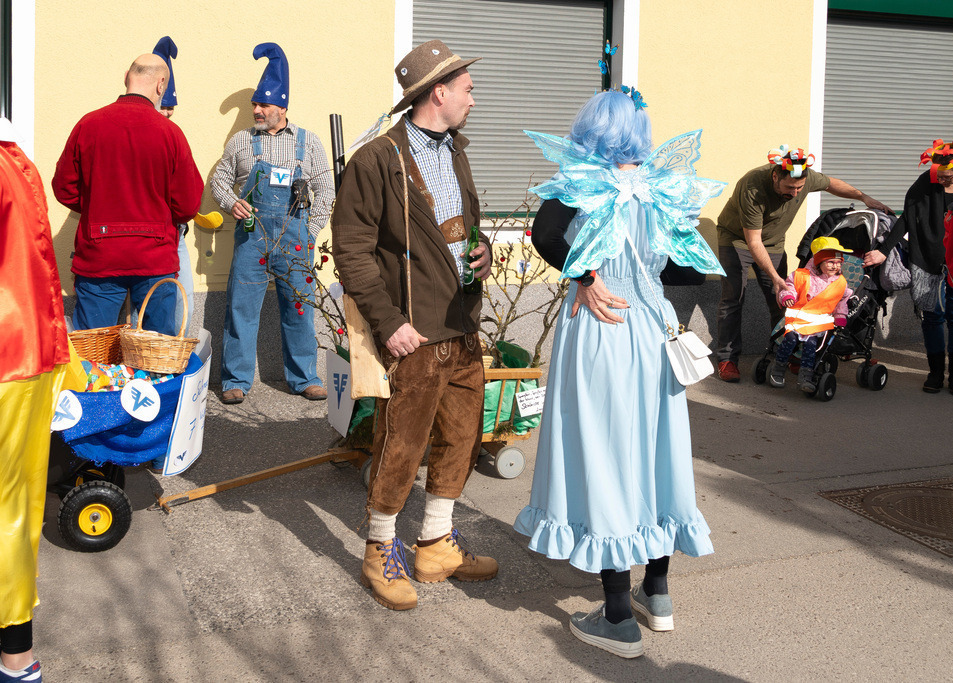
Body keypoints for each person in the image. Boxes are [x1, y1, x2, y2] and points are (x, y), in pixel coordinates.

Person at [513, 89, 724, 658]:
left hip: (602, 328)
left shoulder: (582, 180)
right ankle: (657, 595)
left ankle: (615, 615)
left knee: (605, 456)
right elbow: (690, 267)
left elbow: (544, 235)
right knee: (657, 453)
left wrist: (586, 275)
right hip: (653, 330)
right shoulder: (664, 186)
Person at [332, 39, 497, 611]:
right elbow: (351, 253)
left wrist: (485, 258)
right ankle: (380, 548)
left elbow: (466, 227)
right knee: (400, 442)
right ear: (439, 92)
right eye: (468, 90)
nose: (474, 99)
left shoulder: (455, 150)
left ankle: (434, 544)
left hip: (461, 324)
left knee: (461, 436)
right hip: (414, 330)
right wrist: (389, 322)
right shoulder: (377, 160)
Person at [211, 43, 332, 404]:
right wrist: (232, 202)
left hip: (296, 238)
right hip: (252, 239)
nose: (257, 110)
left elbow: (326, 188)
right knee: (241, 308)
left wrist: (310, 233)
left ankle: (305, 377)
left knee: (299, 309)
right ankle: (235, 380)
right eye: (254, 105)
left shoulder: (309, 143)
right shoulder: (241, 142)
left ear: (282, 107)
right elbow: (218, 180)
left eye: (263, 105)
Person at [52, 53, 204, 337]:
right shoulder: (170, 134)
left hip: (100, 254)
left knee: (95, 356)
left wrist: (97, 203)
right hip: (154, 257)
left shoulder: (88, 125)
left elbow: (64, 187)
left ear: (126, 77)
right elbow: (187, 205)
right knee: (154, 355)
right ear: (161, 85)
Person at [0, 120, 75, 683]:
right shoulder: (11, 160)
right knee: (14, 509)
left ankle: (15, 652)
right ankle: (15, 653)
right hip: (21, 356)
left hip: (15, 355)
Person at [714, 146, 890, 382]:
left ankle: (791, 353)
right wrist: (776, 278)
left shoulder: (803, 177)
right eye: (790, 188)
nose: (796, 193)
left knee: (785, 301)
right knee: (733, 299)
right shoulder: (753, 186)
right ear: (775, 176)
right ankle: (727, 359)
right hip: (737, 240)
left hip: (774, 242)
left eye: (800, 188)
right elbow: (753, 240)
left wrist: (862, 197)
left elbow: (831, 183)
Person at [864, 138, 953, 396]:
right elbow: (907, 219)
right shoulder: (925, 182)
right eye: (937, 175)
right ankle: (934, 373)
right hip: (927, 257)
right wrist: (883, 251)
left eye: (946, 176)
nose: (940, 180)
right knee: (932, 317)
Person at [770, 236, 853, 392]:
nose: (835, 266)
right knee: (790, 340)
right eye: (830, 262)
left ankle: (806, 376)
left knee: (811, 346)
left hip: (817, 322)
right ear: (818, 262)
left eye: (838, 262)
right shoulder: (801, 275)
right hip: (797, 319)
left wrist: (840, 316)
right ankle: (778, 369)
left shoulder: (841, 283)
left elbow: (841, 301)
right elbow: (789, 287)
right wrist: (787, 296)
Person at [152, 35, 194, 334]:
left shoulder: (174, 136)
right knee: (149, 313)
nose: (168, 114)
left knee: (183, 303)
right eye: (164, 107)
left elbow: (188, 191)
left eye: (171, 109)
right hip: (147, 240)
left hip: (174, 234)